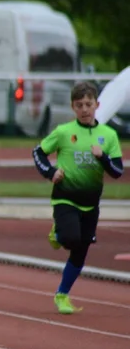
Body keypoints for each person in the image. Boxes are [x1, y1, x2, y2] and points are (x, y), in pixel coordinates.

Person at [32, 81, 123, 314]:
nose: (84, 109)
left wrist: (103, 157)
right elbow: (38, 152)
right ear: (73, 107)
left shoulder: (108, 135)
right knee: (71, 238)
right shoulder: (64, 132)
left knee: (81, 250)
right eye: (79, 105)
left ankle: (62, 294)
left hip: (91, 203)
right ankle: (59, 231)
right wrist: (51, 172)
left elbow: (117, 171)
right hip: (65, 197)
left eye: (88, 104)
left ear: (97, 105)